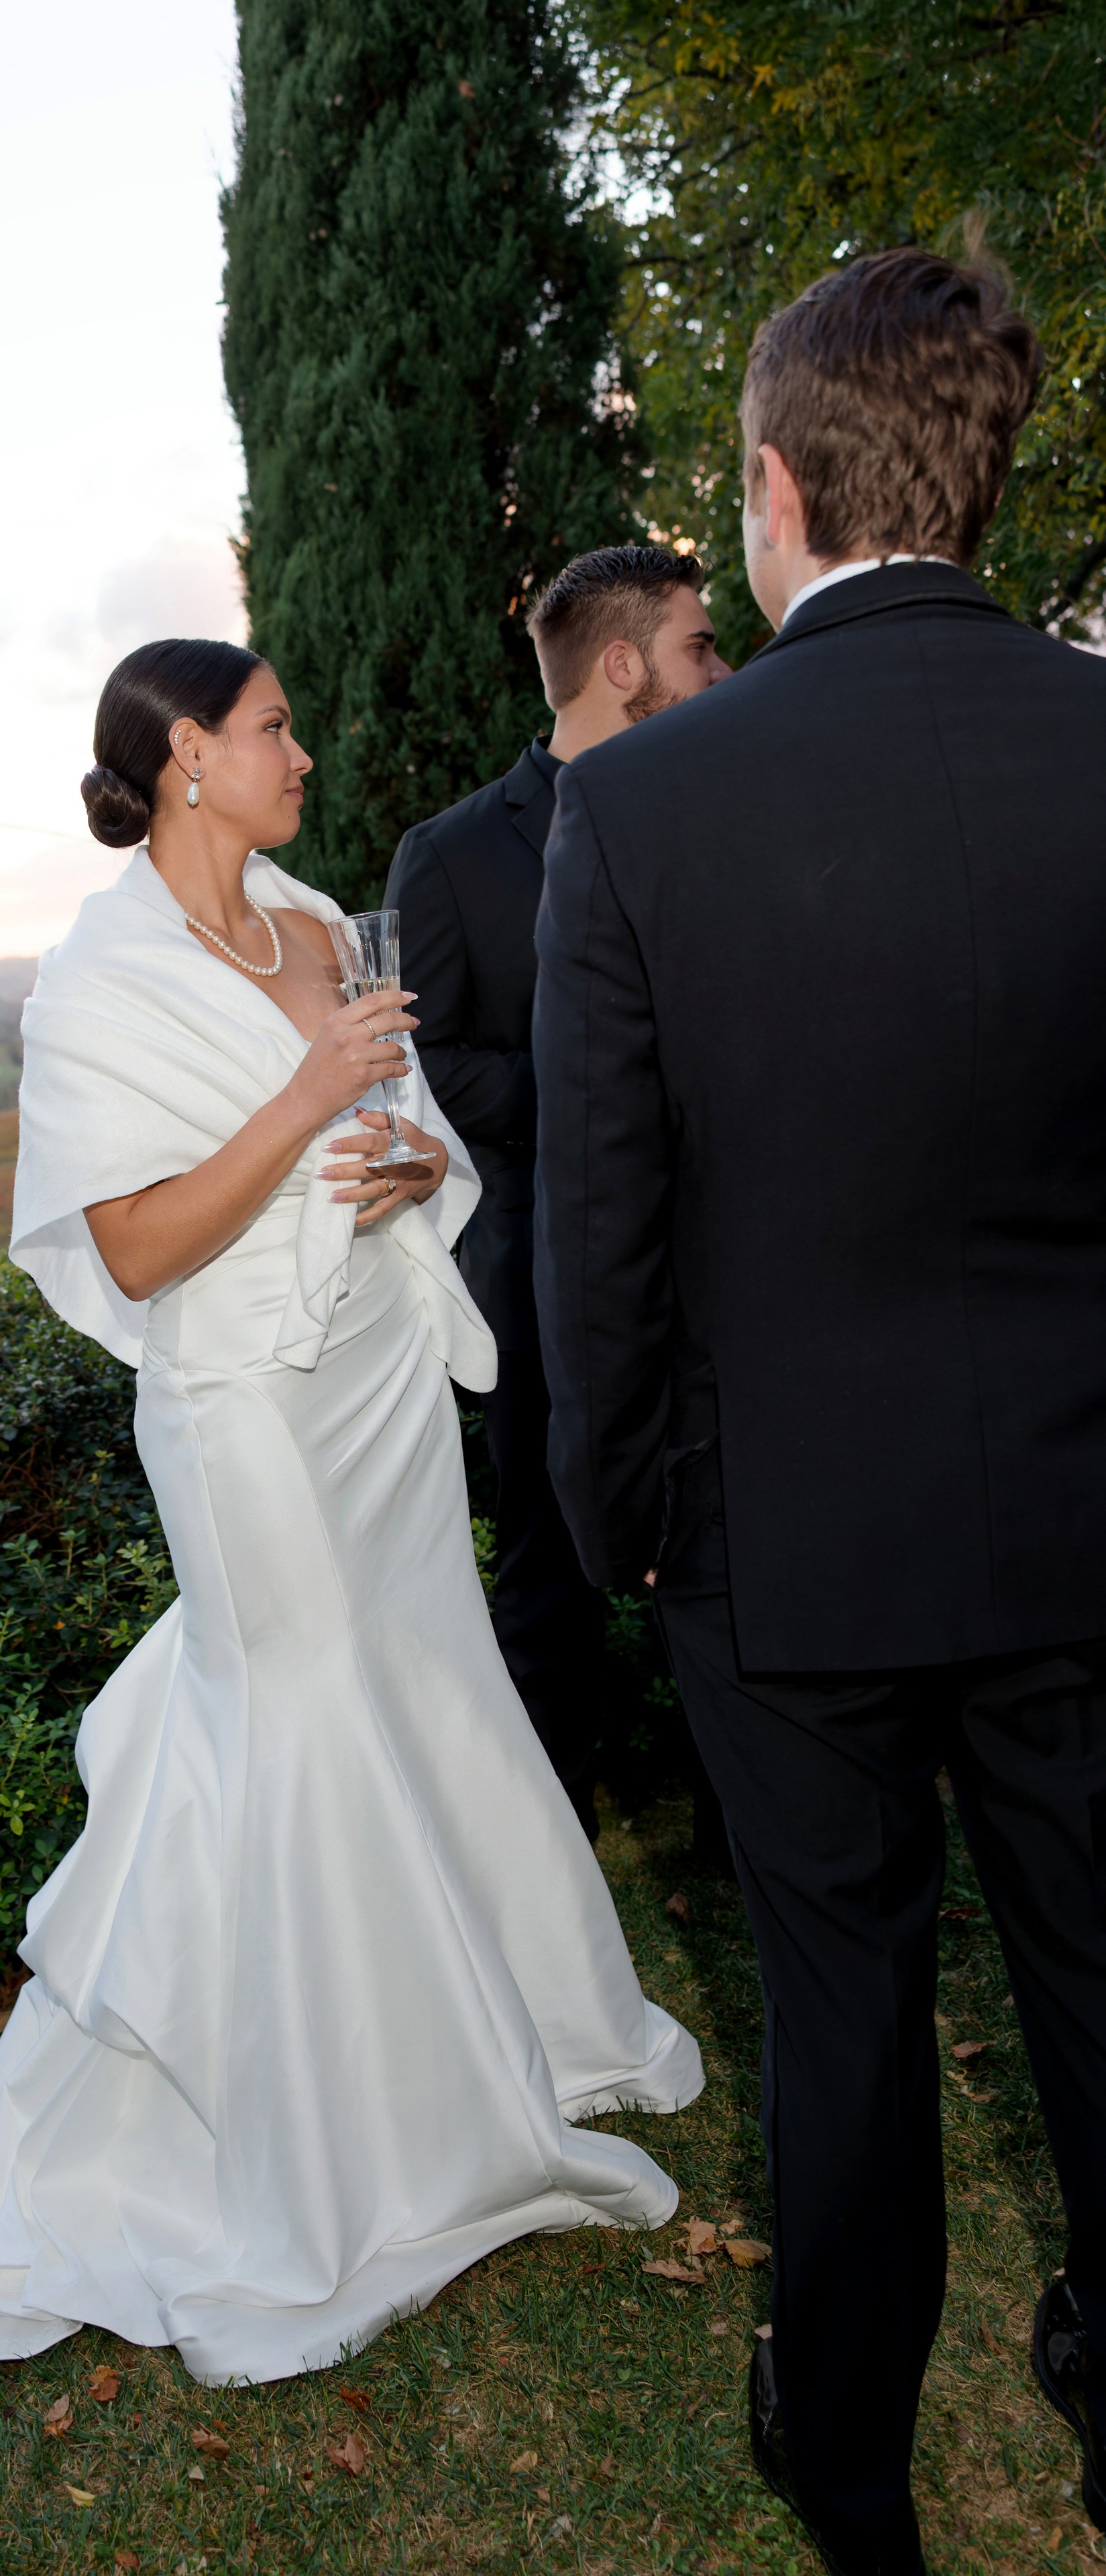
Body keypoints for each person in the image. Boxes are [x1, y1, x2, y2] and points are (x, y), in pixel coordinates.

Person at [0, 637, 702, 2387]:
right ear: (188, 756)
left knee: (419, 1683)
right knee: (300, 1711)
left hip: (379, 1396)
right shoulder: (98, 980)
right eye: (274, 728)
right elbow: (135, 1246)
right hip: (241, 1403)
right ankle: (339, 2146)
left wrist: (416, 1162)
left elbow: (406, 1131)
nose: (305, 753)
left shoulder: (328, 926)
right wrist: (310, 1096)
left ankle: (507, 2039)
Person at [531, 247, 1106, 2576]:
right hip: (1090, 1520)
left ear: (775, 490)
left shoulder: (652, 808)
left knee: (841, 2015)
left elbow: (606, 1242)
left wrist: (626, 1526)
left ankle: (858, 2482)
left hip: (778, 1549)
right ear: (984, 473)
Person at [384, 547, 729, 1835]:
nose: (725, 669)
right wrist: (600, 1092)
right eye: (700, 647)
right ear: (623, 665)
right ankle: (551, 1848)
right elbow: (425, 1064)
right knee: (544, 1569)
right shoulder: (456, 852)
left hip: (726, 1258)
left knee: (734, 1549)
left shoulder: (727, 815)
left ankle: (739, 1819)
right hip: (538, 1272)